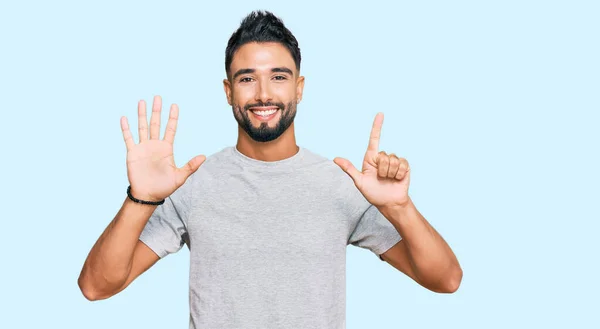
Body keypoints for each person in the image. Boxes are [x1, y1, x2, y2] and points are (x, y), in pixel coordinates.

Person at [78, 10, 462, 328]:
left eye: (279, 77)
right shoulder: (191, 185)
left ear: (299, 87)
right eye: (247, 79)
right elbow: (96, 287)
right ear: (228, 91)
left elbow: (445, 280)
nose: (264, 93)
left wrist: (399, 208)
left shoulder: (343, 186)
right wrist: (141, 199)